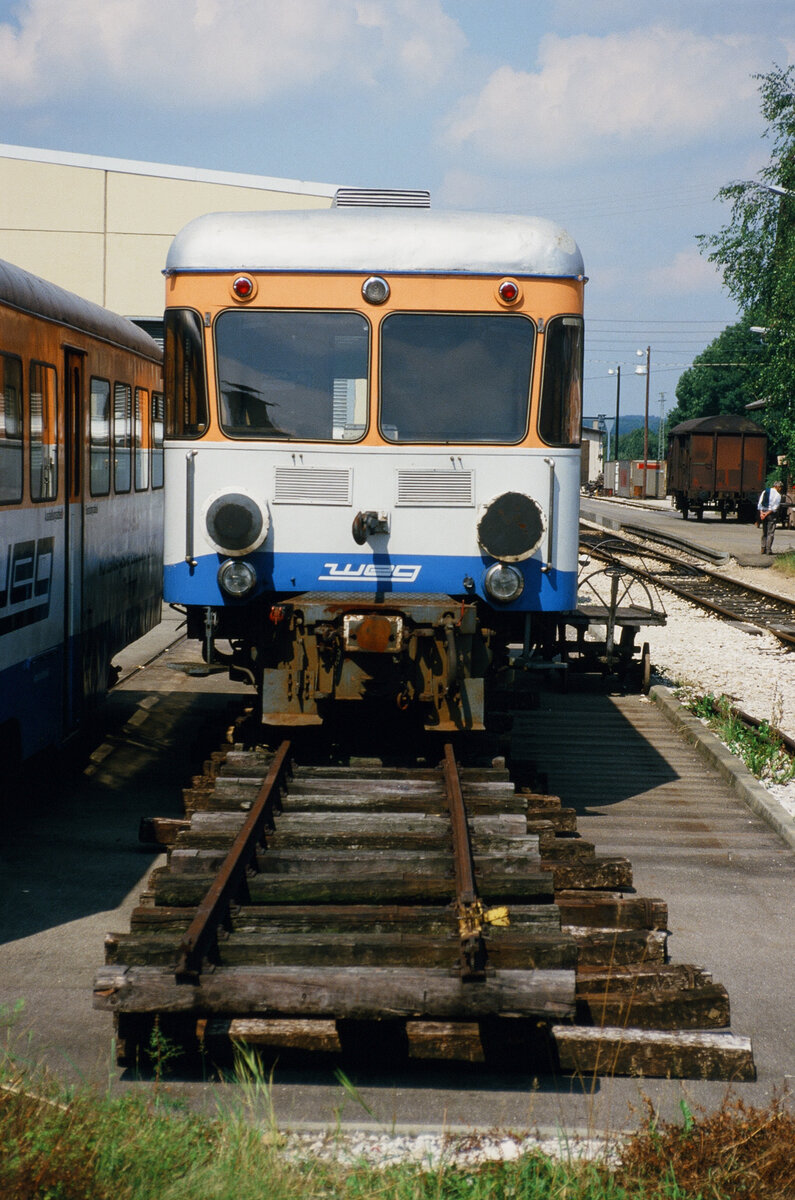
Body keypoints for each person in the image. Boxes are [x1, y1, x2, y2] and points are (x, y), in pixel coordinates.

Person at [758, 481, 783, 554]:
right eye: (780, 487)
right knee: (770, 532)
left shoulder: (765, 491)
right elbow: (775, 507)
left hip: (763, 512)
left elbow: (760, 503)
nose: (780, 489)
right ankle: (768, 549)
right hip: (771, 514)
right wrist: (767, 514)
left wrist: (762, 513)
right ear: (778, 487)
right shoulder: (778, 495)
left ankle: (763, 548)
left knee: (764, 531)